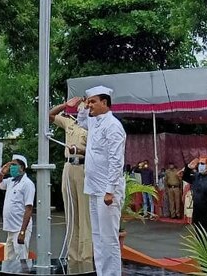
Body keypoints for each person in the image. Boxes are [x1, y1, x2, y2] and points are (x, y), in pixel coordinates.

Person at [76, 85, 126, 276]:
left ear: (104, 103)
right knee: (97, 237)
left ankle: (112, 274)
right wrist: (82, 106)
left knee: (109, 238)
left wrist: (110, 190)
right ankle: (102, 273)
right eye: (89, 102)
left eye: (93, 102)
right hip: (94, 187)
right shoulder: (95, 122)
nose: (90, 105)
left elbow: (116, 160)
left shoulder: (113, 126)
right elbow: (81, 121)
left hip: (107, 190)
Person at [49, 96, 92, 261]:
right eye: (81, 105)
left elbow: (98, 153)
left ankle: (86, 256)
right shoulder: (70, 123)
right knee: (71, 214)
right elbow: (50, 116)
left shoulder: (93, 126)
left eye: (86, 106)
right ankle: (73, 256)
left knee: (84, 215)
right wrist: (65, 105)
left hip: (83, 167)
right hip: (68, 167)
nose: (83, 108)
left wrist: (80, 150)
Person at [0, 155, 35, 261]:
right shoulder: (11, 181)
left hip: (20, 229)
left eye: (14, 165)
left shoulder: (27, 184)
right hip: (11, 228)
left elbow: (29, 208)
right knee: (8, 260)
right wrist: (2, 173)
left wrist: (22, 232)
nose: (11, 167)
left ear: (21, 167)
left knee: (21, 260)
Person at [182, 156, 207, 235]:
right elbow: (185, 177)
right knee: (199, 237)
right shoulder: (196, 176)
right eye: (199, 164)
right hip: (197, 214)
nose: (200, 165)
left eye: (202, 164)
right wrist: (188, 168)